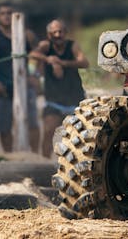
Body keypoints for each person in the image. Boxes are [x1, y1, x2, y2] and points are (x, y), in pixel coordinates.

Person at [0, 4, 40, 152]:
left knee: (32, 123)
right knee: (4, 126)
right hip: (1, 87)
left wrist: (35, 75)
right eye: (3, 13)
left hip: (25, 84)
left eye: (10, 13)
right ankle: (10, 155)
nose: (7, 16)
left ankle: (35, 155)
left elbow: (39, 55)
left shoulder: (27, 34)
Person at [30, 19, 89, 158]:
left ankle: (78, 163)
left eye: (60, 31)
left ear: (65, 33)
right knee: (48, 131)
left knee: (78, 136)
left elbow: (84, 62)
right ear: (49, 34)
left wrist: (62, 63)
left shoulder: (72, 46)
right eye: (54, 32)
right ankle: (44, 162)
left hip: (74, 99)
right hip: (53, 100)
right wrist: (49, 59)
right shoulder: (45, 46)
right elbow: (33, 54)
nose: (57, 35)